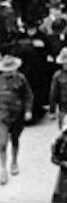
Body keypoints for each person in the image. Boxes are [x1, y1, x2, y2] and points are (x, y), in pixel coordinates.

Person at [0, 54, 33, 185]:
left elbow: (28, 95)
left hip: (17, 115)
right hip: (2, 116)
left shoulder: (21, 79)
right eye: (6, 70)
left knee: (15, 140)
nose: (9, 72)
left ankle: (14, 162)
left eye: (11, 69)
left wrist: (28, 111)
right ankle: (2, 169)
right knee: (1, 143)